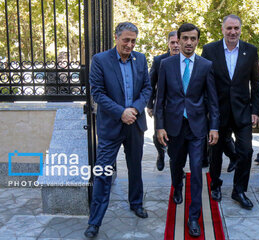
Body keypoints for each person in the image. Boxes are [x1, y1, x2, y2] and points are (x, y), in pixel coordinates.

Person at [84, 22, 151, 238]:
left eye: (133, 41)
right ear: (116, 37)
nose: (130, 44)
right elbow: (98, 92)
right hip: (111, 125)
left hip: (135, 124)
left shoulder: (140, 59)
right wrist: (121, 112)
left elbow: (147, 88)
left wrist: (135, 109)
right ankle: (95, 221)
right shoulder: (100, 60)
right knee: (103, 172)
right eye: (126, 40)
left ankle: (136, 203)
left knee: (135, 167)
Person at [155, 23, 219, 237]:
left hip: (197, 127)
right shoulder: (166, 64)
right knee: (176, 163)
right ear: (178, 40)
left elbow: (212, 100)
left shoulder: (206, 65)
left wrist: (214, 127)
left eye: (193, 38)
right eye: (185, 38)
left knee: (197, 173)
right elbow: (160, 99)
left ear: (197, 40)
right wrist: (160, 126)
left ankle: (194, 217)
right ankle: (177, 186)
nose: (189, 42)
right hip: (174, 126)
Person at [202, 14, 259, 209]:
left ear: (240, 29)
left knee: (246, 151)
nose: (233, 32)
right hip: (217, 112)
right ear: (223, 30)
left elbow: (255, 83)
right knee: (215, 153)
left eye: (236, 28)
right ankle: (215, 185)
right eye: (229, 28)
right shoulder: (210, 50)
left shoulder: (250, 51)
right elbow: (204, 81)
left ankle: (239, 190)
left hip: (243, 112)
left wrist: (255, 110)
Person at [147, 31, 180, 171]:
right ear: (168, 44)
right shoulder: (159, 60)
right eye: (172, 42)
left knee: (177, 138)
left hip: (179, 107)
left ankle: (177, 164)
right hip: (161, 106)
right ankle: (161, 154)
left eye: (178, 42)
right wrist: (149, 105)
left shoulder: (187, 60)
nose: (176, 45)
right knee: (157, 136)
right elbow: (150, 83)